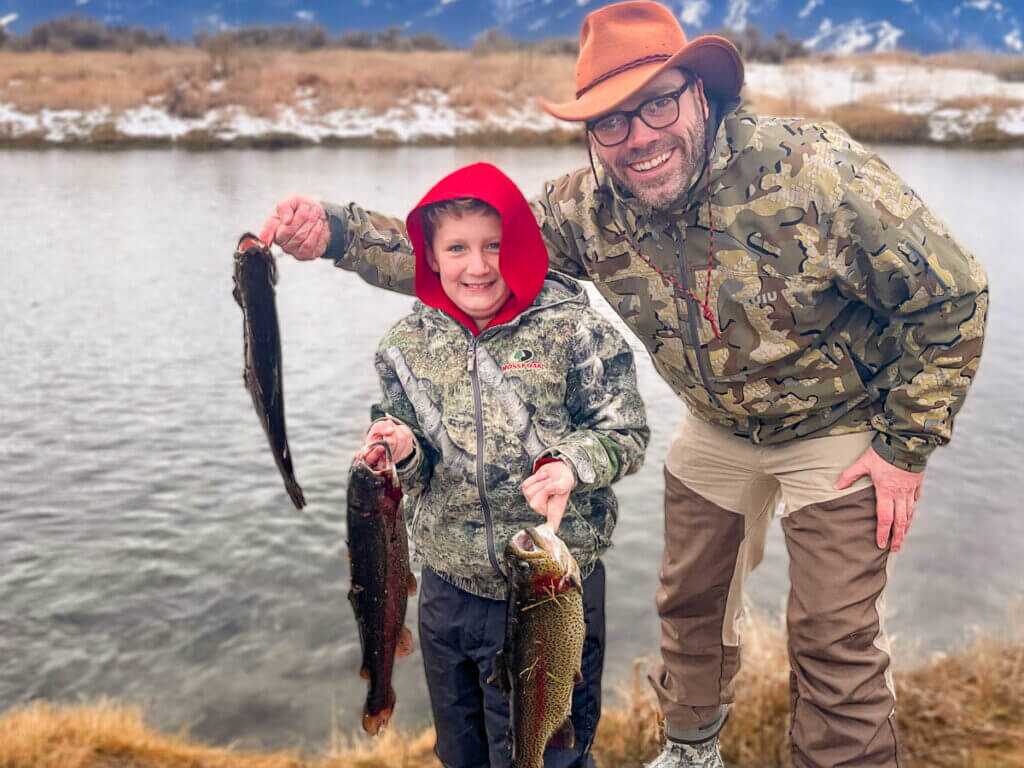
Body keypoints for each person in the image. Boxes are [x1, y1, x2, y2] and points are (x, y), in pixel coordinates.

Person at [258, 3, 989, 765]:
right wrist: (338, 232)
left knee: (832, 642)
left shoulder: (816, 174)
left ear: (700, 94)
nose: (637, 137)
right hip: (715, 425)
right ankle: (691, 748)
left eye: (657, 105)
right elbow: (465, 263)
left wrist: (907, 445)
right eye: (610, 122)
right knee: (689, 606)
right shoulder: (587, 209)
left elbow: (956, 294)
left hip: (841, 425)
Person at [355, 161, 649, 768]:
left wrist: (572, 463)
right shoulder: (404, 347)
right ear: (431, 257)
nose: (479, 265)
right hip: (447, 594)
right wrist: (401, 451)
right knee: (461, 750)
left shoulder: (576, 331)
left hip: (550, 589)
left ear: (518, 243)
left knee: (551, 749)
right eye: (457, 248)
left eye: (493, 245)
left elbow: (627, 432)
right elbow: (414, 466)